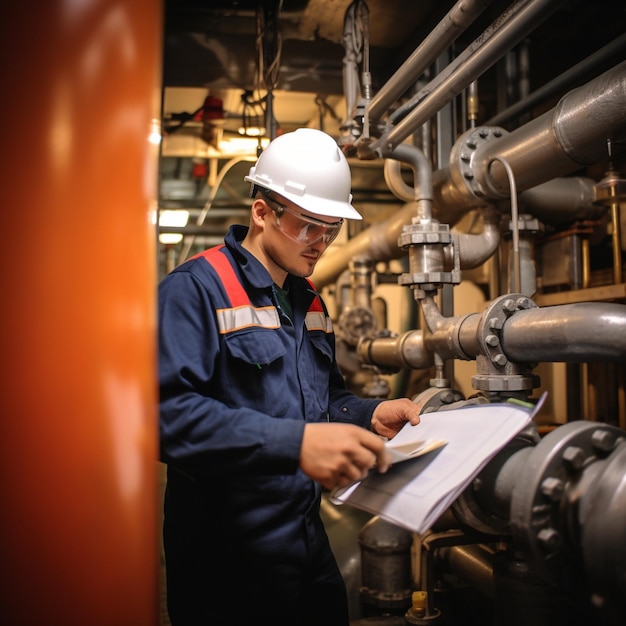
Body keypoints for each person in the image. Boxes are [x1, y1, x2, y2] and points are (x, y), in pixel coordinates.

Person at [158, 127, 421, 626]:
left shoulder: (308, 298)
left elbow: (322, 398)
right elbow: (164, 416)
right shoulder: (195, 289)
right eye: (308, 227)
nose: (321, 243)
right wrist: (295, 443)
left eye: (332, 229)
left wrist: (367, 413)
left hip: (305, 539)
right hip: (227, 558)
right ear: (262, 213)